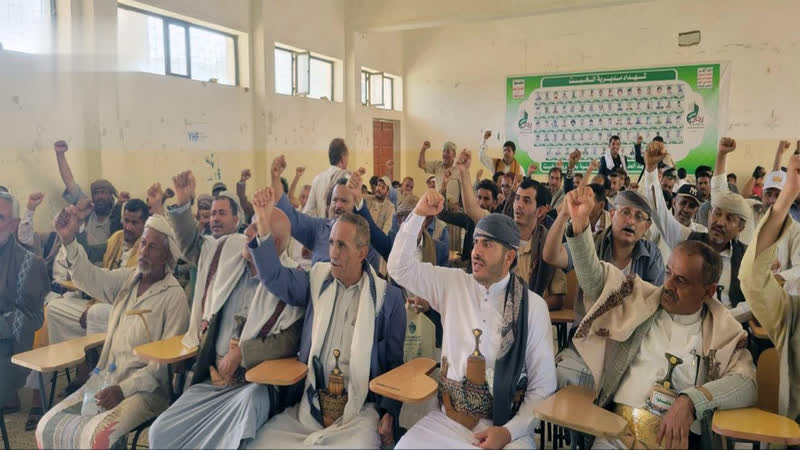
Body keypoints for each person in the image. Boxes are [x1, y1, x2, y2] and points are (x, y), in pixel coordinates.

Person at [558, 186, 757, 449]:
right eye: (668, 273)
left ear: (708, 292)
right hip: (616, 436)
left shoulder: (722, 330)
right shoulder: (642, 299)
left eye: (682, 281)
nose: (668, 285)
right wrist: (580, 223)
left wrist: (691, 401)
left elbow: (746, 384)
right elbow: (594, 281)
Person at [388, 192, 556, 449]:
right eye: (476, 243)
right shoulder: (452, 284)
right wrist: (419, 214)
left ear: (509, 257)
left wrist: (508, 432)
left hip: (506, 428)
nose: (476, 252)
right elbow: (399, 269)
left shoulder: (532, 307)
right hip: (448, 422)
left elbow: (543, 388)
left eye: (487, 244)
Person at [246, 187, 405, 448]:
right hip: (309, 407)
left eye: (341, 245)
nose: (333, 253)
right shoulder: (317, 279)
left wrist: (389, 412)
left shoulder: (388, 299)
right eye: (331, 243)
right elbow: (275, 277)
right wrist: (263, 224)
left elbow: (394, 364)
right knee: (260, 444)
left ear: (362, 252)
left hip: (359, 412)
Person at [148, 215, 305, 449]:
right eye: (249, 225)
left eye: (256, 229)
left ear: (273, 244)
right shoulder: (229, 264)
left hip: (253, 387)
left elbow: (291, 341)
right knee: (160, 432)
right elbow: (193, 247)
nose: (246, 232)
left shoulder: (293, 281)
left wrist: (243, 353)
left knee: (241, 417)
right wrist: (181, 206)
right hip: (214, 381)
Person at [36, 210, 189, 449]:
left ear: (167, 255)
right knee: (47, 426)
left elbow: (163, 367)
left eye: (152, 247)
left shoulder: (174, 297)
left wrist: (123, 390)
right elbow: (91, 279)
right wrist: (69, 240)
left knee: (97, 437)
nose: (144, 251)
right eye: (143, 243)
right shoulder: (129, 279)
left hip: (146, 392)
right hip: (106, 379)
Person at [644, 138, 753, 322]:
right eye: (717, 213)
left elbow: (753, 303)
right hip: (681, 324)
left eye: (730, 219)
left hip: (727, 329)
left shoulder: (746, 258)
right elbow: (658, 211)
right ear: (709, 214)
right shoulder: (688, 240)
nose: (720, 222)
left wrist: (722, 321)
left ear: (741, 228)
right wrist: (650, 169)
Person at [544, 188, 665, 324]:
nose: (631, 221)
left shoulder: (652, 256)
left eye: (639, 217)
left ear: (647, 226)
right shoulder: (592, 243)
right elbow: (552, 256)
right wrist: (564, 215)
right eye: (625, 212)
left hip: (631, 331)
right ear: (612, 214)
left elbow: (650, 303)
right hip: (588, 330)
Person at [740, 152, 800, 423]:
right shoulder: (793, 316)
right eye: (770, 194)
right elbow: (754, 279)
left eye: (779, 194)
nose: (772, 199)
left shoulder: (795, 233)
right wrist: (786, 198)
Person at [268, 156, 380, 270]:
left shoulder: (366, 241)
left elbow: (371, 278)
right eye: (335, 200)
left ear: (355, 205)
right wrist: (275, 177)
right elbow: (290, 216)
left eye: (344, 201)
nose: (338, 206)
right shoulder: (319, 228)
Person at [0, 191, 48, 414]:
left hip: (9, 344)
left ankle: (9, 395)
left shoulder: (30, 264)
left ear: (14, 225)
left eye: (0, 218)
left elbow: (31, 318)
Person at [54, 140, 122, 245]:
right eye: (96, 193)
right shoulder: (87, 211)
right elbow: (70, 183)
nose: (100, 196)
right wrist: (60, 155)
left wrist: (121, 201)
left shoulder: (118, 215)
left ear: (111, 196)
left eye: (103, 192)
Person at [644, 184, 707, 265]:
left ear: (696, 211)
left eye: (691, 206)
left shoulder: (701, 232)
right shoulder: (659, 225)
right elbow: (644, 244)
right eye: (683, 203)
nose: (686, 209)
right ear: (674, 203)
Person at [304, 138, 350, 218]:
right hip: (341, 224)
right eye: (347, 157)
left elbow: (307, 212)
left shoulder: (317, 179)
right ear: (343, 158)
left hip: (322, 224)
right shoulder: (348, 178)